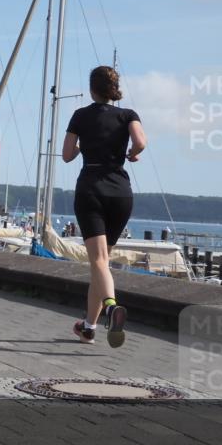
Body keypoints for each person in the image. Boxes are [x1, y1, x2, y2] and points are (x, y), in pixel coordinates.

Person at [63, 65, 146, 348]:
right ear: (113, 89)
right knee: (102, 266)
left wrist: (83, 144)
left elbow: (66, 155)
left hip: (91, 190)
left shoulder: (80, 116)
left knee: (98, 262)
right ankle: (88, 327)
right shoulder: (128, 115)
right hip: (121, 194)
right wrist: (132, 154)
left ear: (92, 89)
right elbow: (140, 142)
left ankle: (111, 307)